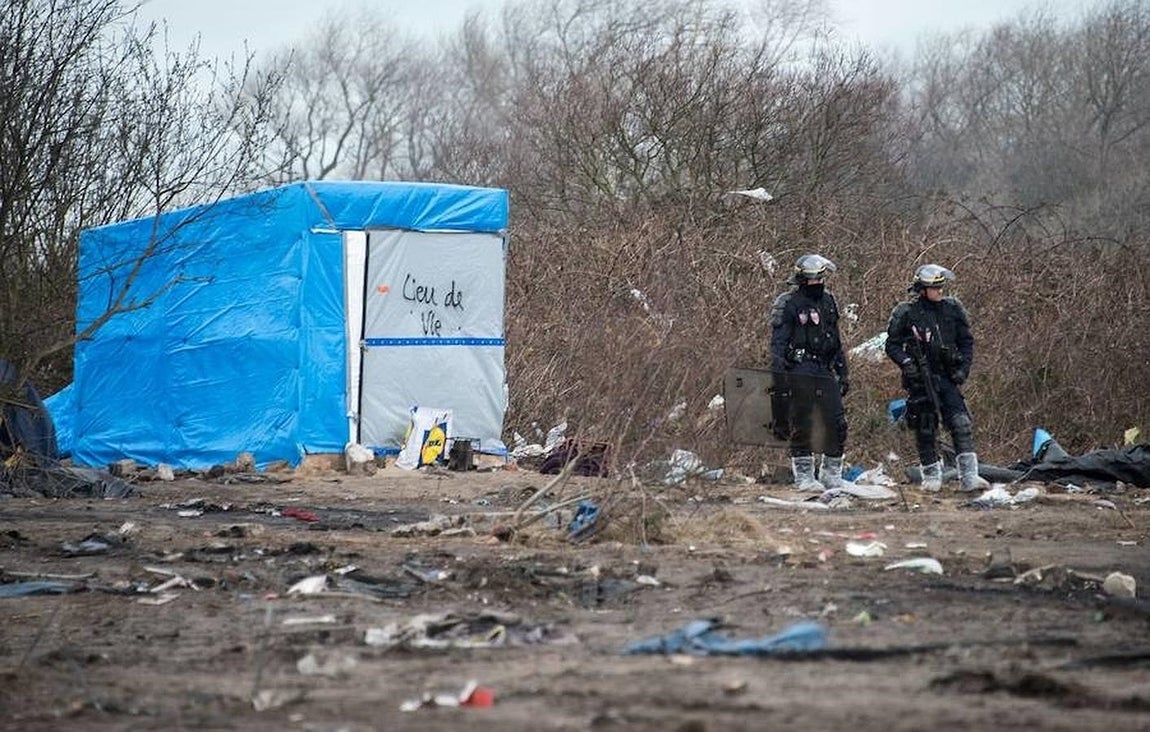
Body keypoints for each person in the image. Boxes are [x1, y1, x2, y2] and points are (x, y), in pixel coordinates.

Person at [885, 264, 990, 492]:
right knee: (925, 427)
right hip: (921, 380)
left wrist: (963, 368)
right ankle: (931, 476)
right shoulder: (907, 312)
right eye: (935, 288)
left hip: (948, 376)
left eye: (942, 287)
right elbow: (892, 345)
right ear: (923, 289)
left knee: (961, 423)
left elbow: (966, 341)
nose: (940, 291)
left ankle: (969, 477)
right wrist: (907, 363)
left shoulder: (952, 309)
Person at [770, 253, 849, 491]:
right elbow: (778, 345)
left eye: (821, 279)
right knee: (802, 421)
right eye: (813, 279)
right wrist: (780, 377)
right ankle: (804, 475)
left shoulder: (828, 301)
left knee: (837, 421)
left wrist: (842, 370)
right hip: (799, 368)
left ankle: (831, 473)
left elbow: (835, 339)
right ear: (802, 279)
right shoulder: (788, 303)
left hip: (824, 367)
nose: (818, 283)